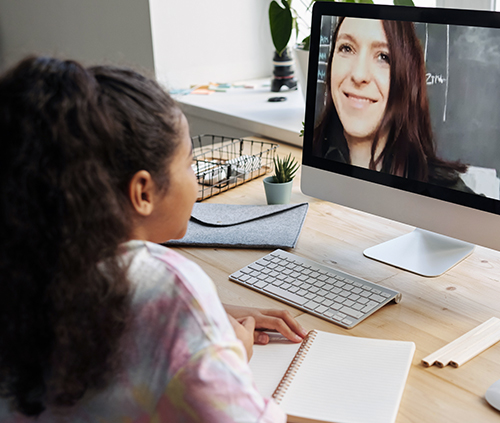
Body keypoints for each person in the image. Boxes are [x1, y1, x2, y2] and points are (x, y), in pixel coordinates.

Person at [0, 56, 307, 422]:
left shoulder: (25, 264)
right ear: (143, 192)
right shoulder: (169, 288)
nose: (195, 179)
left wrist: (209, 317)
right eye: (190, 163)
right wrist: (230, 351)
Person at [313, 17, 474, 193]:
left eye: (383, 57)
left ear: (407, 78)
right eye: (346, 48)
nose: (358, 75)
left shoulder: (444, 194)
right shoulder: (309, 159)